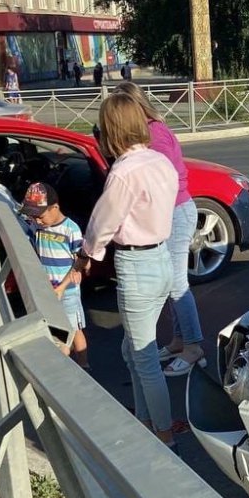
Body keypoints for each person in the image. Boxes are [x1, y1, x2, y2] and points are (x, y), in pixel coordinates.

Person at [76, 93, 178, 448]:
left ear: (111, 130)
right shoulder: (159, 161)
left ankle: (164, 435)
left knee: (144, 358)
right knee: (134, 351)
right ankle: (145, 421)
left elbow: (103, 222)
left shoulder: (123, 172)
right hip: (161, 259)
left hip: (136, 264)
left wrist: (87, 254)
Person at [115, 82, 204, 390]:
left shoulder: (153, 134)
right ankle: (180, 340)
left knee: (178, 283)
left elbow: (161, 175)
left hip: (176, 212)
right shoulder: (153, 130)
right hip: (175, 210)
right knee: (170, 281)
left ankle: (193, 346)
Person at [21, 182, 91, 368]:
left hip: (66, 289)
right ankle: (69, 365)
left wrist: (82, 267)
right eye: (33, 217)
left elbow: (82, 255)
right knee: (59, 329)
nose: (37, 221)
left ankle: (81, 366)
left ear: (55, 207)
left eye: (41, 216)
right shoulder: (38, 227)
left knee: (72, 331)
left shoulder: (70, 229)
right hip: (49, 288)